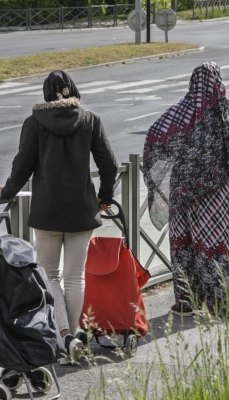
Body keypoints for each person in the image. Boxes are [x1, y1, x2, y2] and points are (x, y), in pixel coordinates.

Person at [0, 70, 118, 365]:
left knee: (49, 275)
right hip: (82, 210)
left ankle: (65, 337)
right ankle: (72, 340)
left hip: (47, 211)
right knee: (74, 276)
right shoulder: (90, 120)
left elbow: (22, 166)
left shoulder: (34, 123)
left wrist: (5, 194)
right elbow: (110, 165)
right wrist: (103, 196)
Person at [143, 62, 229, 316]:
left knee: (185, 246)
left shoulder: (179, 112)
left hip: (183, 195)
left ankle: (186, 301)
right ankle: (220, 300)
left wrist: (162, 176)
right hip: (218, 194)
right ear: (218, 80)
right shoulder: (225, 111)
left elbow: (154, 137)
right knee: (216, 244)